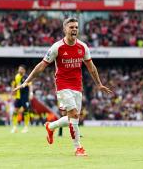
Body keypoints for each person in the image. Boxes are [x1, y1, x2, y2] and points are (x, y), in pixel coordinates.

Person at [13, 17, 112, 156]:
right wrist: (26, 81)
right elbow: (41, 66)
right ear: (65, 29)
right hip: (63, 84)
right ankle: (78, 148)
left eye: (76, 27)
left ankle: (50, 126)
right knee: (74, 114)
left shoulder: (83, 47)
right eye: (71, 27)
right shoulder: (57, 47)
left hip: (77, 85)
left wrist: (99, 84)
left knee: (74, 119)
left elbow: (91, 67)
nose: (74, 30)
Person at [11, 64, 33, 133]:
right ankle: (14, 127)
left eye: (20, 69)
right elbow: (14, 84)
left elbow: (30, 86)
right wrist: (13, 91)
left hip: (25, 97)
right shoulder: (16, 76)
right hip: (18, 97)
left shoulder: (27, 77)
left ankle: (26, 127)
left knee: (26, 111)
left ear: (24, 70)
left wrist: (31, 93)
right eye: (18, 69)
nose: (19, 70)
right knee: (15, 111)